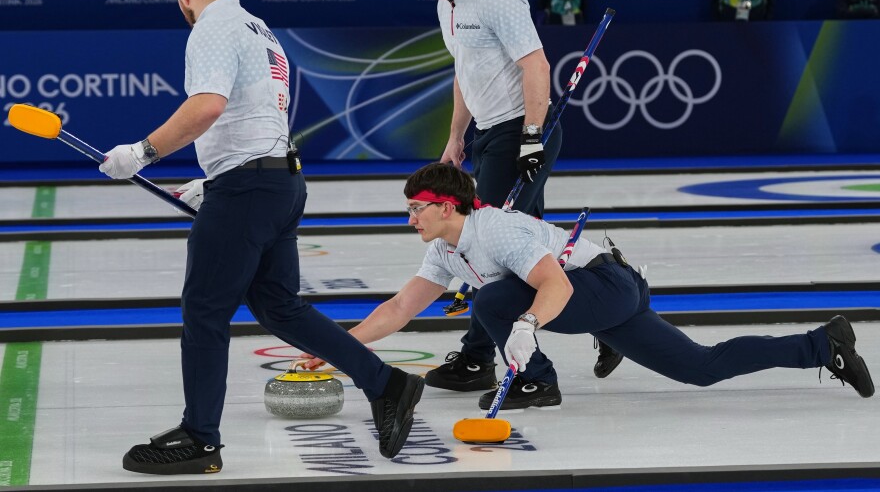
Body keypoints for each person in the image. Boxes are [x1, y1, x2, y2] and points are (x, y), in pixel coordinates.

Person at [98, 0, 424, 475]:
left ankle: (201, 439)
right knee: (277, 305)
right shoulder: (258, 27)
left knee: (204, 311)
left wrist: (143, 152)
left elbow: (207, 106)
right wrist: (213, 180)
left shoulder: (210, 28)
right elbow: (253, 118)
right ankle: (388, 383)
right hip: (280, 182)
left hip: (250, 189)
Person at [305, 162, 876, 410]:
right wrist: (340, 348)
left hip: (602, 283)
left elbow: (553, 286)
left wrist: (527, 330)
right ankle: (822, 344)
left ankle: (538, 385)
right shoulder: (444, 248)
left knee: (494, 299)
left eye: (416, 208)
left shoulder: (496, 230)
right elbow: (401, 307)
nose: (410, 218)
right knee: (699, 368)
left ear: (447, 205)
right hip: (605, 295)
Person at [398, 0, 622, 405]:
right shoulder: (446, 4)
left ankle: (478, 355)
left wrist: (531, 136)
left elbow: (535, 64)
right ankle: (609, 313)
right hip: (487, 134)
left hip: (518, 132)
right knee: (531, 247)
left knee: (485, 244)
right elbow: (465, 73)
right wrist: (456, 136)